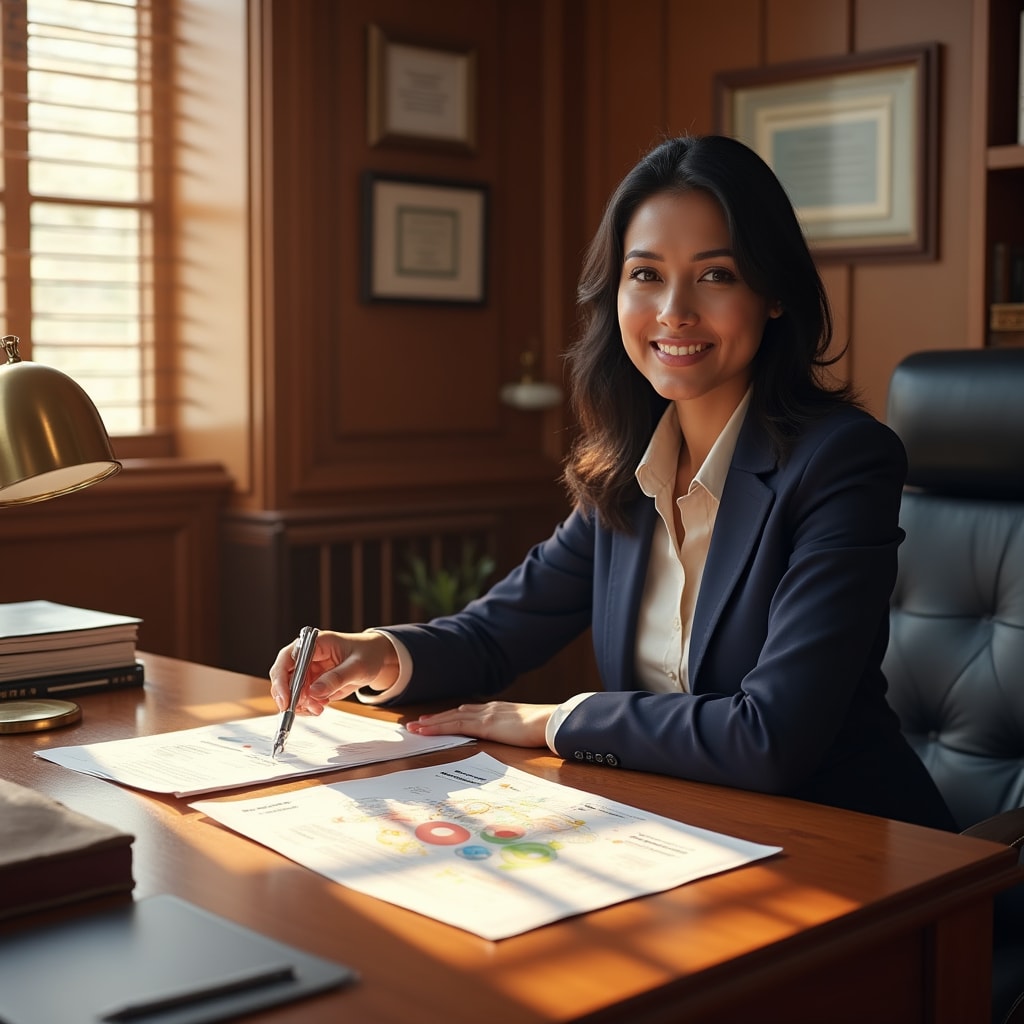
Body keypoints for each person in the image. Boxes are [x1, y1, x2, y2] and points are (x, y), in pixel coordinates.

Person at [270, 134, 955, 832]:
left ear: (773, 292)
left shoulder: (842, 462)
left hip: (852, 847)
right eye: (646, 274)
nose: (674, 311)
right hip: (683, 834)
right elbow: (495, 636)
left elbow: (770, 737)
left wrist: (555, 721)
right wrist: (376, 654)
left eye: (715, 275)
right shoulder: (628, 474)